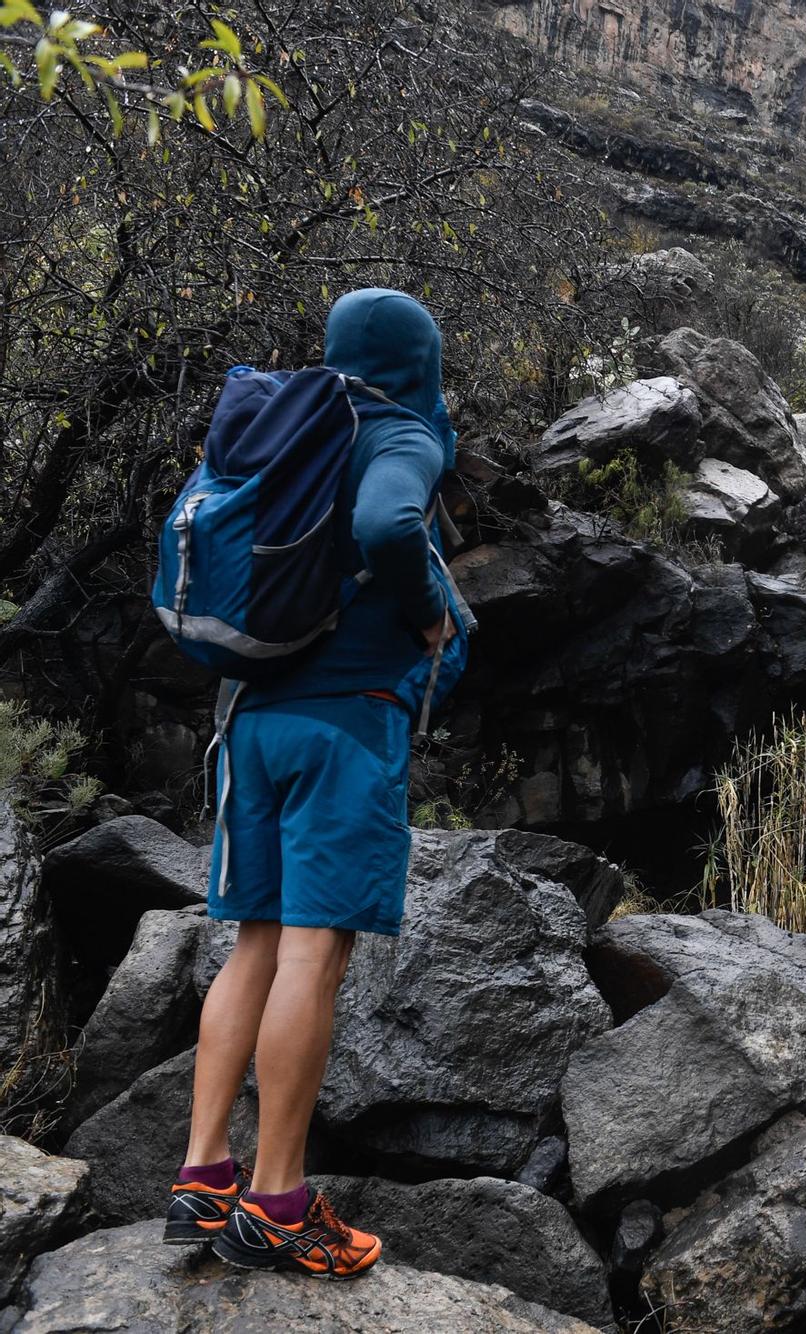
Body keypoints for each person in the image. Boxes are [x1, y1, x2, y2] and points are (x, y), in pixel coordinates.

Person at [163, 289, 456, 1279]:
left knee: (251, 944)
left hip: (250, 724)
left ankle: (204, 1176)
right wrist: (425, 610)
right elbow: (385, 524)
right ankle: (280, 1200)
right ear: (419, 358)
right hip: (342, 727)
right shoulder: (399, 430)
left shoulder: (287, 424)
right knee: (311, 956)